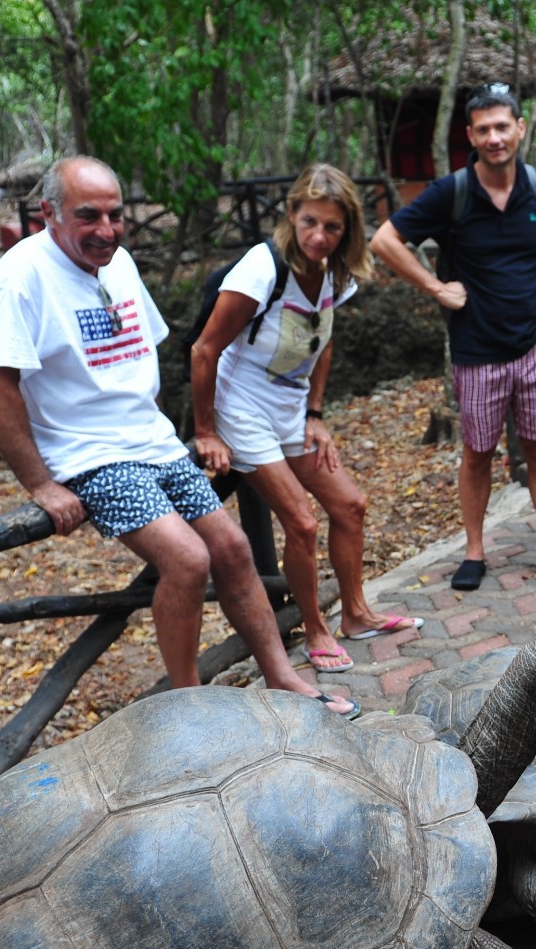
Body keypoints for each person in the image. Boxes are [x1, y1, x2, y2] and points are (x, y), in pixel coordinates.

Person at [0, 155, 357, 715]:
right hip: (91, 455)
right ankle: (188, 706)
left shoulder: (119, 261)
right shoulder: (19, 276)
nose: (106, 230)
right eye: (88, 217)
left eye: (115, 215)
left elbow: (145, 350)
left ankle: (280, 674)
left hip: (151, 440)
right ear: (48, 213)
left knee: (230, 547)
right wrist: (41, 483)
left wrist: (165, 430)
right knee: (186, 558)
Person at [190, 163, 421, 673]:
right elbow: (204, 350)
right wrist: (206, 431)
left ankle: (357, 613)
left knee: (352, 506)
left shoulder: (337, 272)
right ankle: (314, 627)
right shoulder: (262, 268)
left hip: (291, 407)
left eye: (332, 227)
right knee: (301, 520)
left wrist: (315, 412)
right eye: (310, 222)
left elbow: (325, 337)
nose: (319, 236)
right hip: (243, 407)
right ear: (292, 215)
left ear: (348, 229)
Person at [370, 83, 536, 592]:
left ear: (519, 128)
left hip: (534, 343)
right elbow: (385, 240)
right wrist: (434, 286)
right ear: (470, 134)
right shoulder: (453, 191)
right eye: (484, 129)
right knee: (477, 453)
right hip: (475, 351)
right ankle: (474, 551)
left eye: (502, 127)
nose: (494, 138)